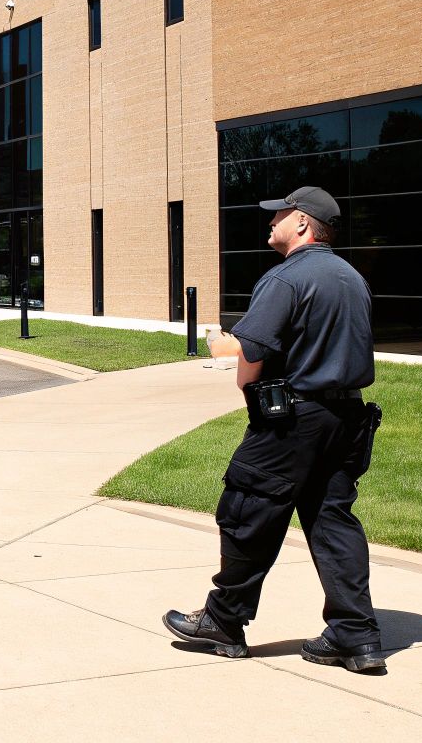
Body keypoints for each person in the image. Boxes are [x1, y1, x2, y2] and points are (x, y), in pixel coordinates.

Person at [164, 185, 388, 675]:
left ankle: (223, 619)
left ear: (304, 224)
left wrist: (251, 392)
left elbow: (252, 353)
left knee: (248, 509)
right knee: (333, 522)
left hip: (294, 420)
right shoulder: (351, 278)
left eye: (280, 215)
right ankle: (357, 637)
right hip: (348, 420)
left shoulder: (286, 279)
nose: (271, 222)